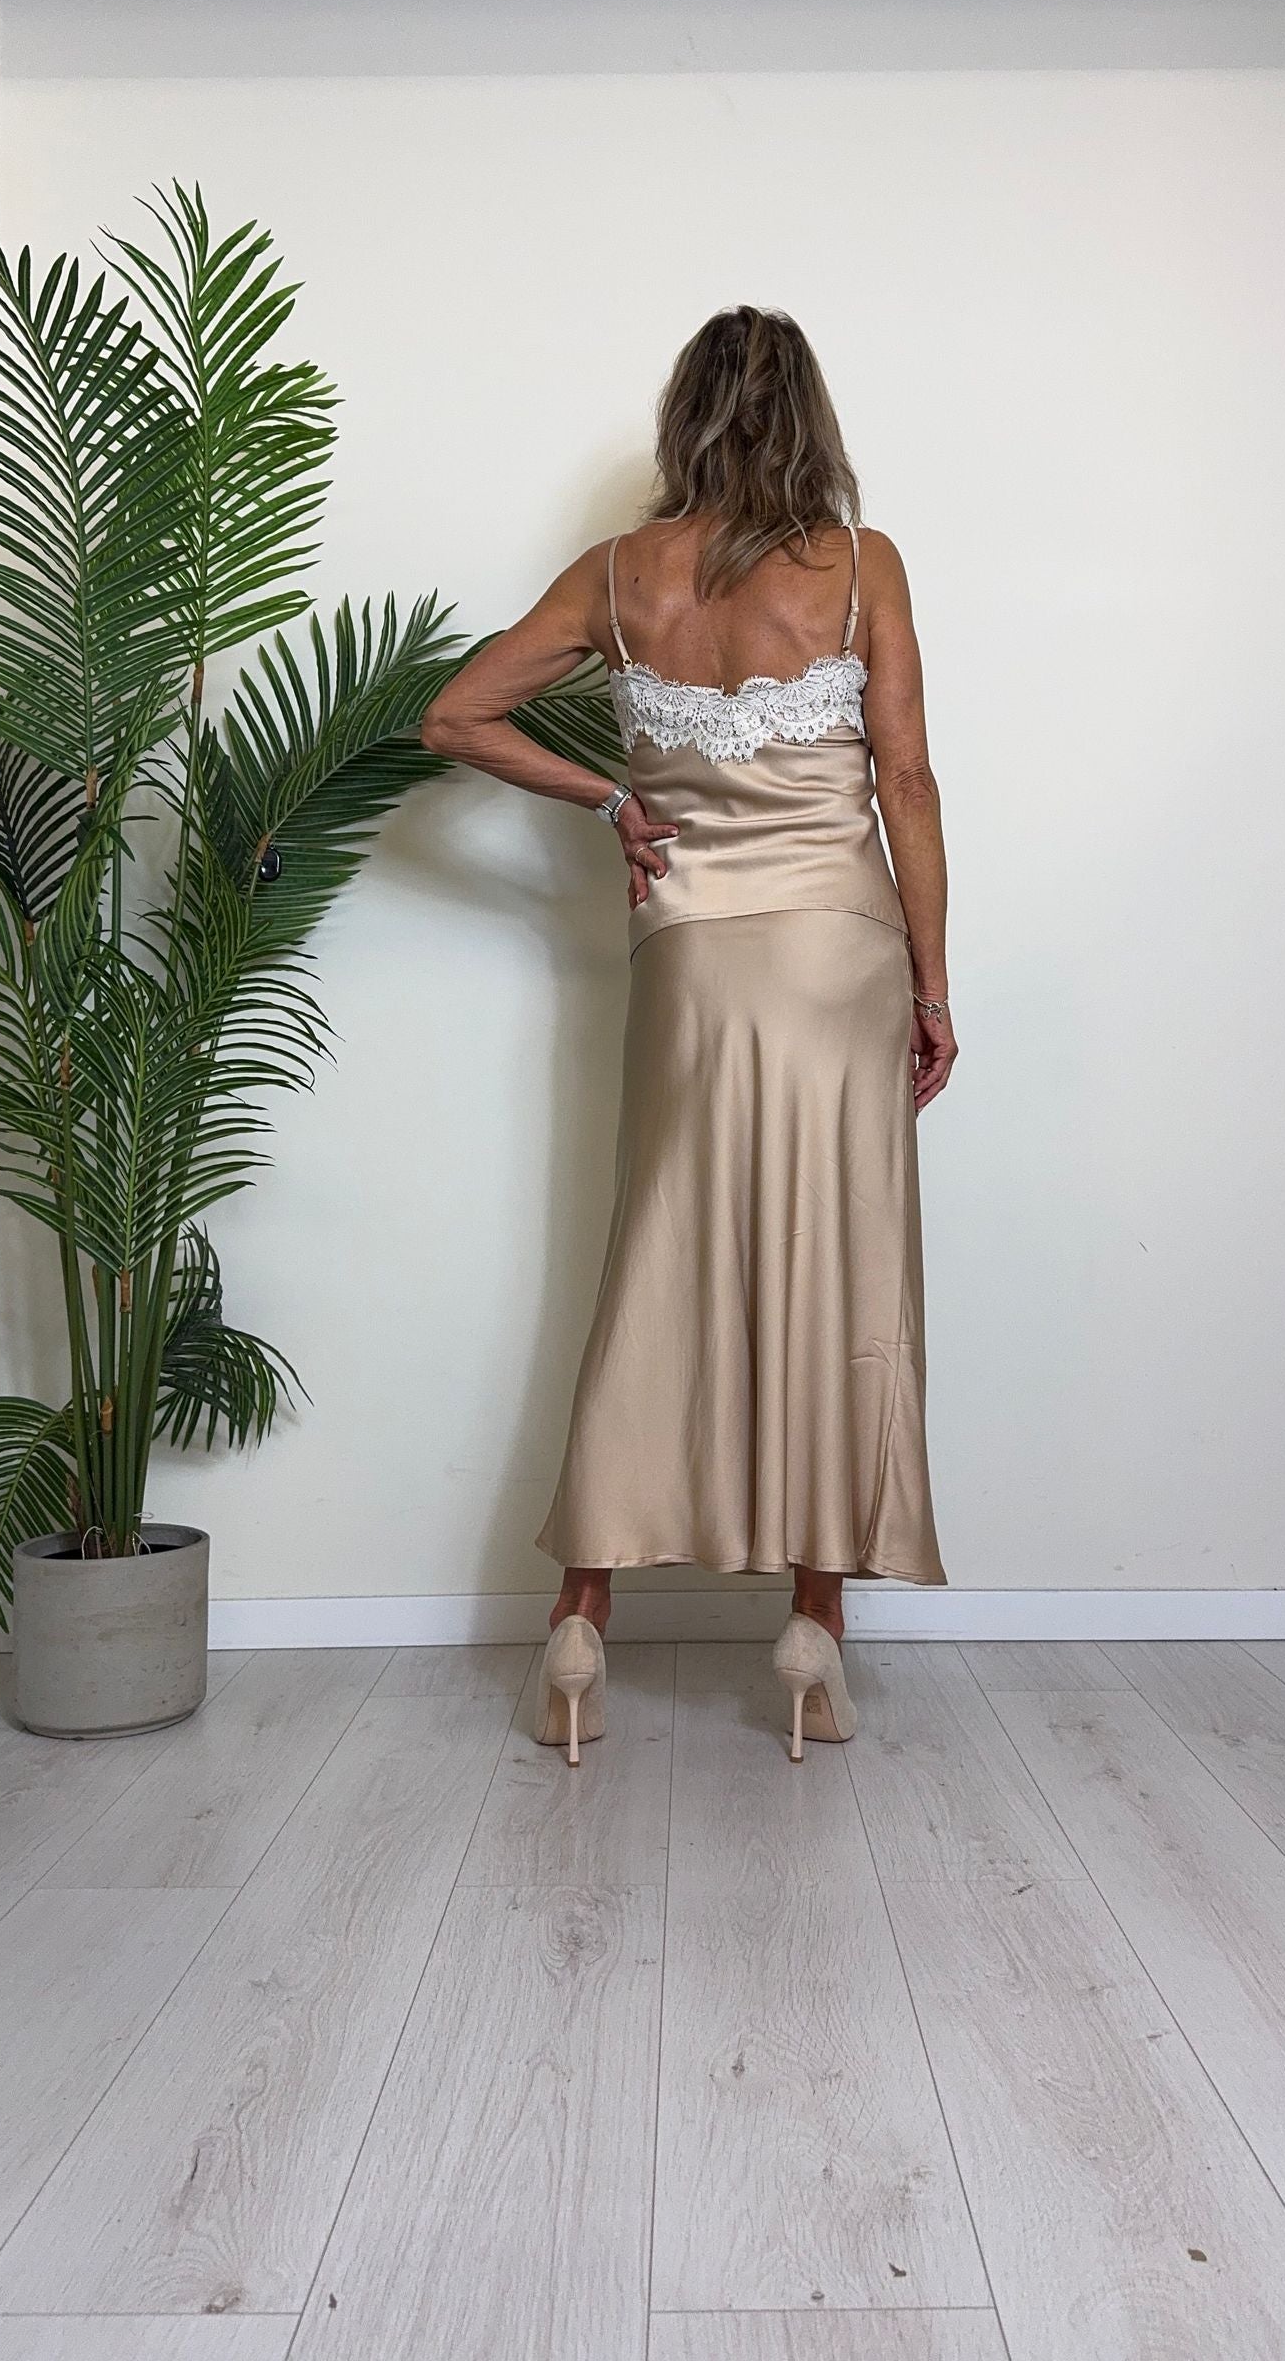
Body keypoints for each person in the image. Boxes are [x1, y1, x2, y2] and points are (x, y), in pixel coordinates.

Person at [421, 305, 954, 1765]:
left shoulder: (619, 575)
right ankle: (813, 1626)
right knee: (838, 1268)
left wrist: (612, 800)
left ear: (685, 419)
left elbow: (455, 717)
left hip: (689, 961)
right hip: (841, 956)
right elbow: (905, 781)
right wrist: (932, 988)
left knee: (657, 1260)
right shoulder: (861, 566)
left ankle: (581, 1617)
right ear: (810, 420)